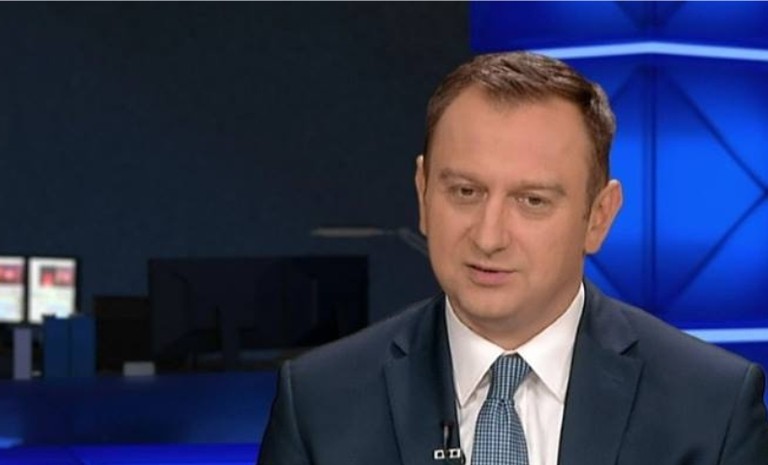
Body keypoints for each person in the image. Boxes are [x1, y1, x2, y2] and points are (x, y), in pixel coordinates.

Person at [258, 52, 768, 465]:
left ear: (598, 217)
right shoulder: (320, 403)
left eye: (532, 201)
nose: (489, 236)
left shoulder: (711, 408)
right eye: (465, 191)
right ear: (423, 193)